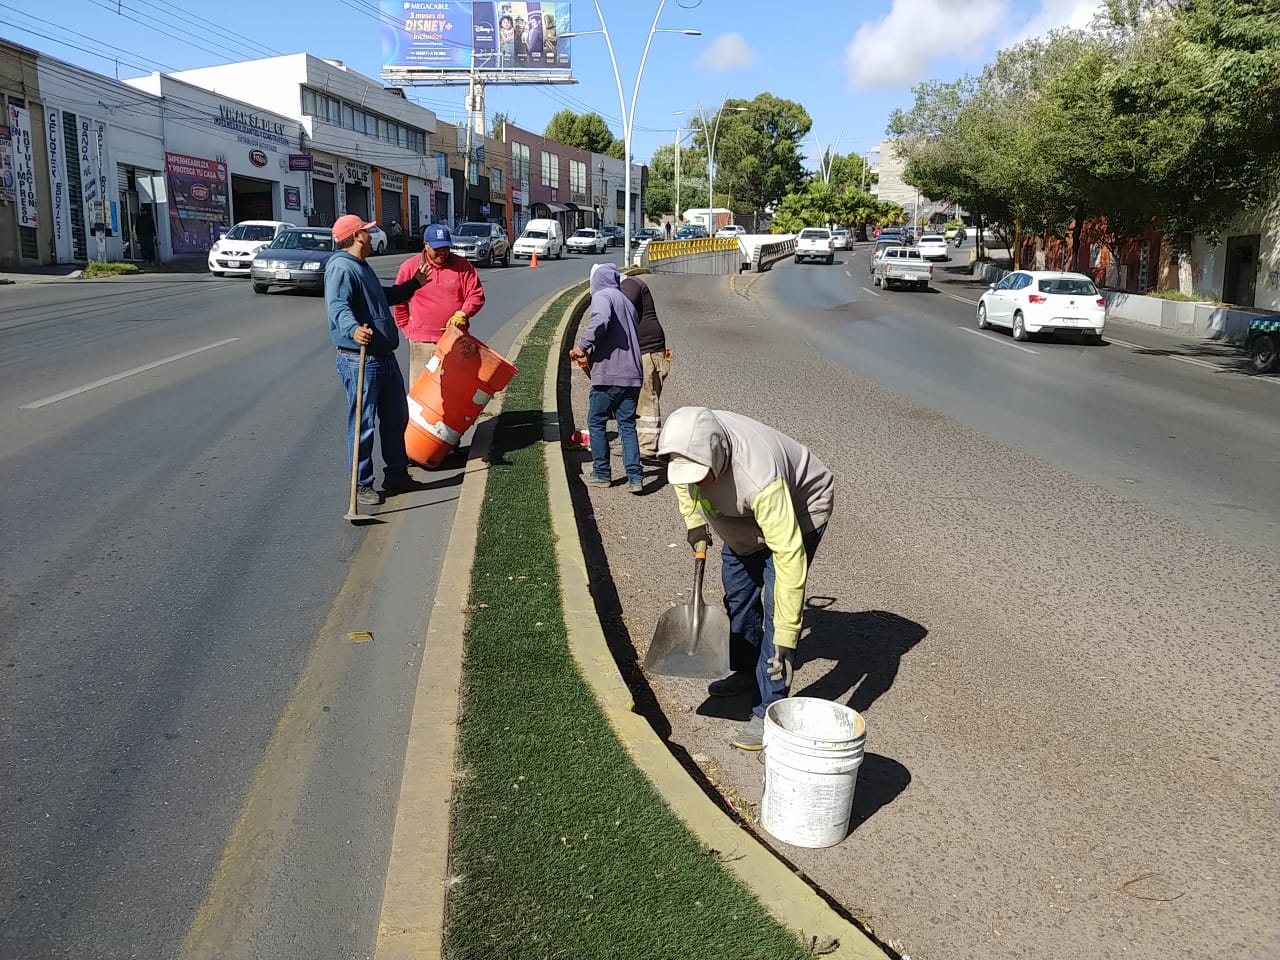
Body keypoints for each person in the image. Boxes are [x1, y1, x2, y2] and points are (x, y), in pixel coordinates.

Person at [657, 407, 835, 750]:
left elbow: (788, 559)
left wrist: (786, 634)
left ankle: (769, 711)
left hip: (800, 507)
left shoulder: (759, 477)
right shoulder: (689, 448)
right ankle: (744, 672)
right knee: (739, 596)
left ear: (718, 455)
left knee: (775, 609)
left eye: (700, 474)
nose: (693, 481)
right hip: (743, 516)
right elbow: (684, 484)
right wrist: (694, 521)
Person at [325, 214, 432, 507]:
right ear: (357, 236)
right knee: (364, 424)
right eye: (368, 233)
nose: (372, 237)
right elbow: (338, 307)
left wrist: (413, 285)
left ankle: (396, 474)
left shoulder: (362, 266)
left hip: (383, 357)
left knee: (397, 416)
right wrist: (353, 329)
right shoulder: (341, 268)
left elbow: (380, 298)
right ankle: (361, 484)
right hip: (360, 359)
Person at [569, 263, 644, 493]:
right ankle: (635, 477)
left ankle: (602, 473)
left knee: (597, 421)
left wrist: (582, 346)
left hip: (610, 374)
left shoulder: (603, 296)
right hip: (632, 373)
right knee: (627, 425)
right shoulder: (626, 302)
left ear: (596, 281)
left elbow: (600, 321)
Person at [392, 223, 485, 383]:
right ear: (425, 245)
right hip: (423, 342)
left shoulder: (463, 266)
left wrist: (463, 313)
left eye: (446, 247)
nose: (442, 252)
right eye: (437, 248)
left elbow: (476, 295)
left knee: (455, 387)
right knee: (423, 391)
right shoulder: (410, 267)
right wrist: (408, 329)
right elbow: (399, 301)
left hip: (455, 339)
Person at [619, 273, 669, 460]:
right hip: (644, 351)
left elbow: (622, 306)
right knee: (637, 398)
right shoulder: (627, 286)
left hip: (649, 351)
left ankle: (648, 447)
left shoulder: (630, 284)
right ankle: (637, 442)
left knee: (647, 397)